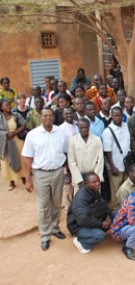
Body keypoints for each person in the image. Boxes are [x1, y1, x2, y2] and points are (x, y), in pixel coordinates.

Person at [22, 108, 68, 251]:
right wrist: (28, 179)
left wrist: (67, 172)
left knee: (56, 203)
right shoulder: (32, 135)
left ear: (53, 117)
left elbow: (65, 153)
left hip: (58, 172)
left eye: (50, 115)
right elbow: (28, 159)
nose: (48, 118)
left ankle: (55, 227)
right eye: (45, 115)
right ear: (41, 117)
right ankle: (45, 235)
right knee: (43, 206)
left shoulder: (61, 132)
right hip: (40, 174)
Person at [67, 173, 111, 254]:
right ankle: (81, 242)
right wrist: (101, 224)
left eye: (98, 181)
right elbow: (82, 219)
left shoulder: (94, 190)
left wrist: (108, 217)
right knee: (99, 235)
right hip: (78, 226)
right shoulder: (81, 198)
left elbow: (103, 204)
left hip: (93, 219)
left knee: (115, 215)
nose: (97, 183)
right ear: (86, 183)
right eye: (94, 182)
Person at [102, 107, 130, 209]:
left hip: (126, 165)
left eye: (120, 115)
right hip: (115, 166)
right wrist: (112, 166)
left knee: (125, 188)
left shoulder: (126, 126)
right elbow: (107, 151)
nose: (118, 117)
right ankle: (116, 211)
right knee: (116, 191)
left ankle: (125, 210)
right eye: (115, 115)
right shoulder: (107, 132)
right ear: (111, 116)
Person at [68, 118, 104, 195]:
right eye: (82, 128)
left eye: (86, 127)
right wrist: (79, 180)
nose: (84, 130)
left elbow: (100, 159)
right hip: (79, 176)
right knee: (80, 201)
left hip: (94, 175)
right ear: (78, 127)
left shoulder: (97, 139)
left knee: (95, 200)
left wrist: (96, 178)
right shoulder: (73, 141)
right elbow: (71, 161)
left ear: (89, 127)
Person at [0, 100, 26, 191]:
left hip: (17, 142)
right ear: (2, 108)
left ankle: (23, 178)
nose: (8, 107)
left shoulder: (16, 115)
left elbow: (23, 125)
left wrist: (14, 133)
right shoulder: (0, 118)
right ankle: (12, 181)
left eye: (9, 105)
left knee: (21, 160)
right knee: (7, 163)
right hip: (5, 144)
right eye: (6, 105)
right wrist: (5, 134)